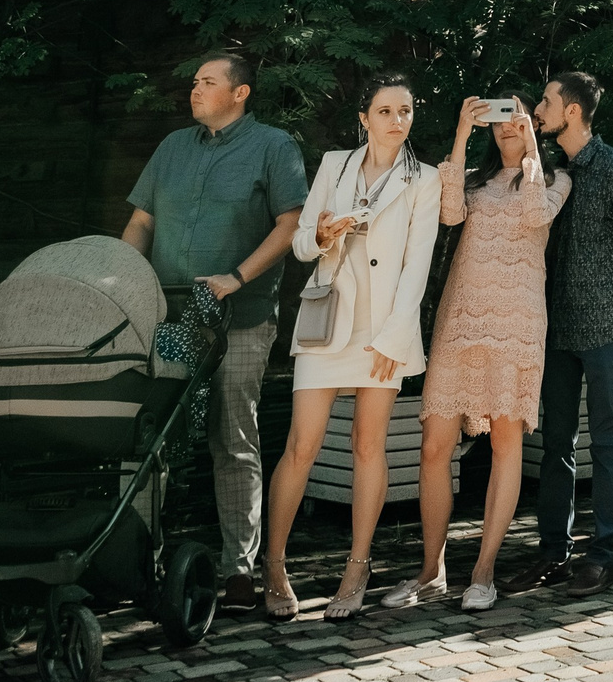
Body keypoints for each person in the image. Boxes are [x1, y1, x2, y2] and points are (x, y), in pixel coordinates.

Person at [121, 52, 308, 614]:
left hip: (240, 320)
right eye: (195, 81)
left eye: (207, 82)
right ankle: (136, 564)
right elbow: (140, 222)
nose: (195, 90)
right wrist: (127, 285)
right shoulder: (172, 148)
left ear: (241, 93)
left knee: (233, 440)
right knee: (151, 437)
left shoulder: (274, 146)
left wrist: (237, 277)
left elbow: (292, 224)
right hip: (169, 320)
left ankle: (239, 571)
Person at [261, 74, 444, 620]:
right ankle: (273, 565)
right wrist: (323, 234)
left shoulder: (425, 179)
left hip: (383, 329)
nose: (396, 120)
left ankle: (356, 568)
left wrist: (394, 336)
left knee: (370, 445)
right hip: (327, 321)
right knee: (301, 445)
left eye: (405, 110)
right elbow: (298, 245)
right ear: (363, 118)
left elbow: (419, 263)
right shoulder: (335, 164)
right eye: (384, 110)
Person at [397, 96, 573, 612]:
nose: (504, 130)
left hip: (516, 324)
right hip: (461, 320)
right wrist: (459, 131)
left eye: (514, 121)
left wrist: (534, 152)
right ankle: (431, 571)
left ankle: (484, 571)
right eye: (496, 123)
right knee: (434, 445)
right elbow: (448, 214)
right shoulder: (473, 178)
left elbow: (535, 215)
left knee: (505, 444)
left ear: (531, 126)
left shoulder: (556, 179)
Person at [506, 71, 613, 599]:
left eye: (545, 101)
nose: (538, 109)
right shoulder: (545, 171)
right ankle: (552, 552)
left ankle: (604, 553)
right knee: (555, 444)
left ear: (571, 111)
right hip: (552, 326)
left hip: (605, 327)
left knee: (609, 439)